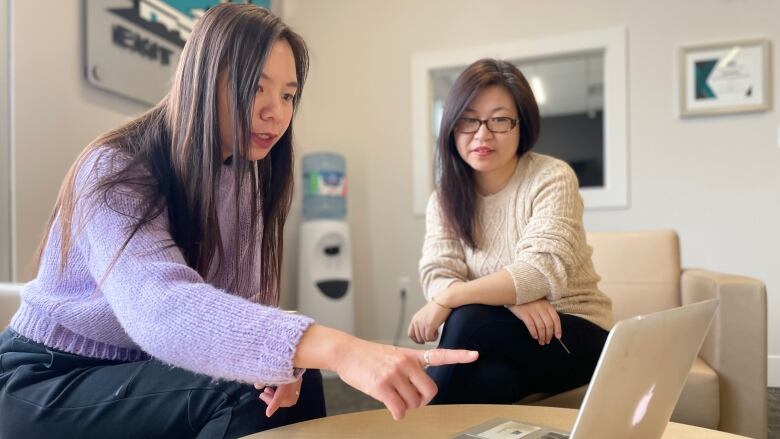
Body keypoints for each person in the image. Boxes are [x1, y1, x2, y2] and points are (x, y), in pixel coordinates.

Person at [0, 5, 477, 438]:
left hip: (139, 373)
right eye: (255, 88)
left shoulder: (242, 179)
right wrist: (343, 349)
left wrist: (279, 364)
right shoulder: (115, 168)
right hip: (43, 378)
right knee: (244, 386)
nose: (276, 112)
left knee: (289, 374)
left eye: (289, 95)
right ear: (203, 79)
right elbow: (161, 307)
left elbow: (245, 308)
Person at [408, 58, 612, 405]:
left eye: (499, 120)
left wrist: (451, 298)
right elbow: (437, 272)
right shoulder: (444, 197)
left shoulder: (551, 177)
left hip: (572, 332)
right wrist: (511, 300)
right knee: (491, 381)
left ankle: (415, 423)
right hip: (506, 337)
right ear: (453, 125)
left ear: (522, 125)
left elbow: (538, 272)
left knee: (468, 316)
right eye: (469, 119)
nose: (482, 134)